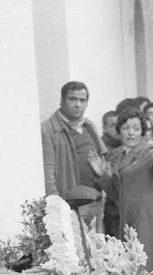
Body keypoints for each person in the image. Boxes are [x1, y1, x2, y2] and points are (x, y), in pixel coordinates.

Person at [90, 109, 153, 269]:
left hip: (150, 220)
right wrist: (103, 175)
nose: (131, 133)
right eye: (126, 128)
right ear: (119, 131)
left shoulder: (148, 151)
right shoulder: (116, 154)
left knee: (152, 269)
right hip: (128, 219)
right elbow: (116, 193)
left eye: (136, 128)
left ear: (142, 131)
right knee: (133, 271)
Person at [41, 81, 108, 232]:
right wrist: (55, 206)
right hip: (70, 207)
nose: (78, 105)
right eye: (72, 99)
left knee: (97, 251)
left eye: (82, 100)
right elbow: (47, 169)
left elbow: (103, 158)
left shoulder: (88, 125)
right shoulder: (49, 129)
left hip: (95, 203)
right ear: (62, 100)